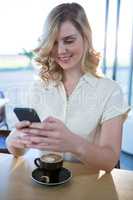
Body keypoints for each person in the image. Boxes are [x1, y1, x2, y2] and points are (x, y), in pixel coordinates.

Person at [6, 2, 130, 172]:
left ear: (86, 38)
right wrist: (14, 141)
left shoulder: (110, 90)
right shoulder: (38, 88)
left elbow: (109, 161)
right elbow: (19, 151)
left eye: (69, 41)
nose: (61, 51)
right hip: (46, 185)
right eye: (54, 43)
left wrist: (73, 143)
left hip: (88, 190)